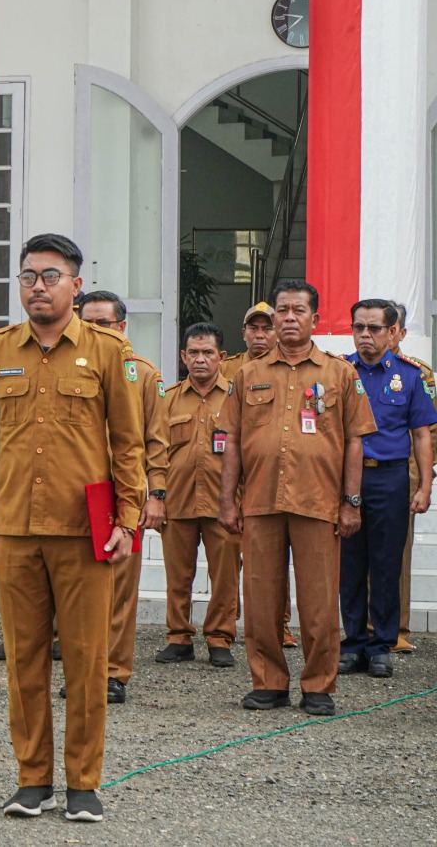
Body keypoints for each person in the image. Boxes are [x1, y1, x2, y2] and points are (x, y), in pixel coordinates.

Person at [0, 233, 144, 824]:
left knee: (89, 659)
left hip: (82, 528)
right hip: (14, 526)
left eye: (49, 275)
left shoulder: (108, 352)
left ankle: (84, 782)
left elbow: (128, 442)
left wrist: (129, 517)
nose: (37, 286)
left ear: (75, 283)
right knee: (23, 659)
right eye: (27, 277)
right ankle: (32, 778)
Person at [219, 280, 377, 716]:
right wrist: (228, 500)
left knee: (319, 602)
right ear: (271, 321)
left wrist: (351, 502)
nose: (288, 318)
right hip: (261, 502)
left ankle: (318, 685)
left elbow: (354, 443)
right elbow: (231, 440)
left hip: (318, 503)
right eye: (282, 311)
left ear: (314, 319)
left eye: (297, 311)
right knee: (262, 598)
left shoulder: (339, 373)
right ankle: (268, 682)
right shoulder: (248, 374)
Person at [77, 290, 169, 705]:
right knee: (79, 588)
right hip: (75, 492)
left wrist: (156, 495)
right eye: (88, 323)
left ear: (122, 328)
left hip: (121, 494)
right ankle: (83, 670)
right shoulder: (69, 366)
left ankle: (113, 673)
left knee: (119, 589)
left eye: (104, 324)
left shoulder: (142, 374)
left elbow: (156, 442)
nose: (95, 331)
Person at [340, 299, 435, 679]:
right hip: (347, 477)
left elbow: (422, 435)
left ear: (392, 332)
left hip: (390, 477)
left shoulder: (410, 376)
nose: (366, 335)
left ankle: (382, 644)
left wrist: (425, 486)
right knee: (349, 563)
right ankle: (351, 644)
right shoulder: (339, 372)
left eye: (375, 328)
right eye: (359, 327)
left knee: (385, 563)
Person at [154, 323, 241, 669]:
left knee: (225, 575)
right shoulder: (169, 398)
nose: (200, 360)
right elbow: (156, 453)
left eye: (208, 353)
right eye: (193, 353)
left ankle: (220, 639)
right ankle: (178, 637)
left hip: (225, 504)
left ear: (221, 357)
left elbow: (248, 452)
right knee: (178, 575)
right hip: (178, 500)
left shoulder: (238, 397)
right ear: (183, 356)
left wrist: (241, 500)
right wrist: (156, 496)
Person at [219, 301, 296, 647]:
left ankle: (280, 624)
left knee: (272, 557)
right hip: (232, 475)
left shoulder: (289, 368)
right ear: (244, 333)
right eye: (254, 328)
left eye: (267, 328)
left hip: (271, 476)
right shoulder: (231, 369)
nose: (261, 335)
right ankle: (231, 622)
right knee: (230, 556)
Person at [387, 302, 432, 654]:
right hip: (357, 476)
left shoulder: (419, 375)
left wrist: (422, 478)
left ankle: (397, 628)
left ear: (400, 333)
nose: (378, 334)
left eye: (388, 327)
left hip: (403, 475)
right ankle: (359, 629)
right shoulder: (348, 370)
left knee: (397, 556)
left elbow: (430, 432)